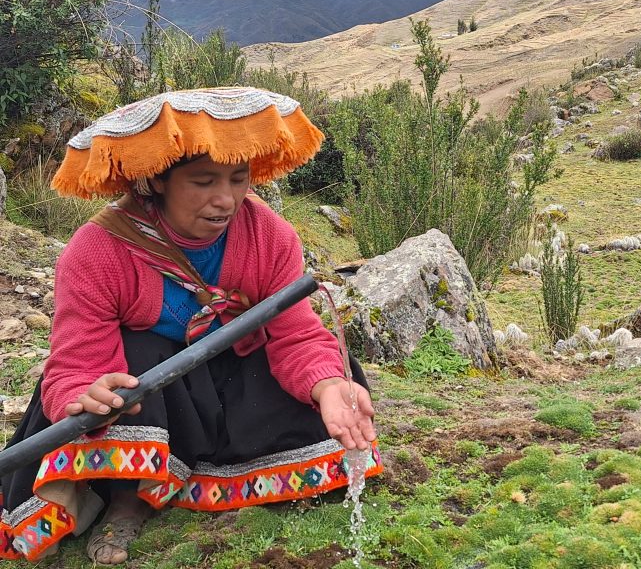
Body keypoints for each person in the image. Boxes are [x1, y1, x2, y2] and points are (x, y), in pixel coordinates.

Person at [0, 88, 380, 564]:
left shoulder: (269, 237)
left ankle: (197, 479)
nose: (226, 200)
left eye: (238, 179)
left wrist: (326, 385)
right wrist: (86, 394)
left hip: (235, 381)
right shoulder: (96, 251)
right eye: (203, 182)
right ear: (157, 179)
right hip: (155, 399)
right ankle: (128, 498)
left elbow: (296, 334)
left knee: (334, 387)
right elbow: (78, 360)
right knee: (134, 363)